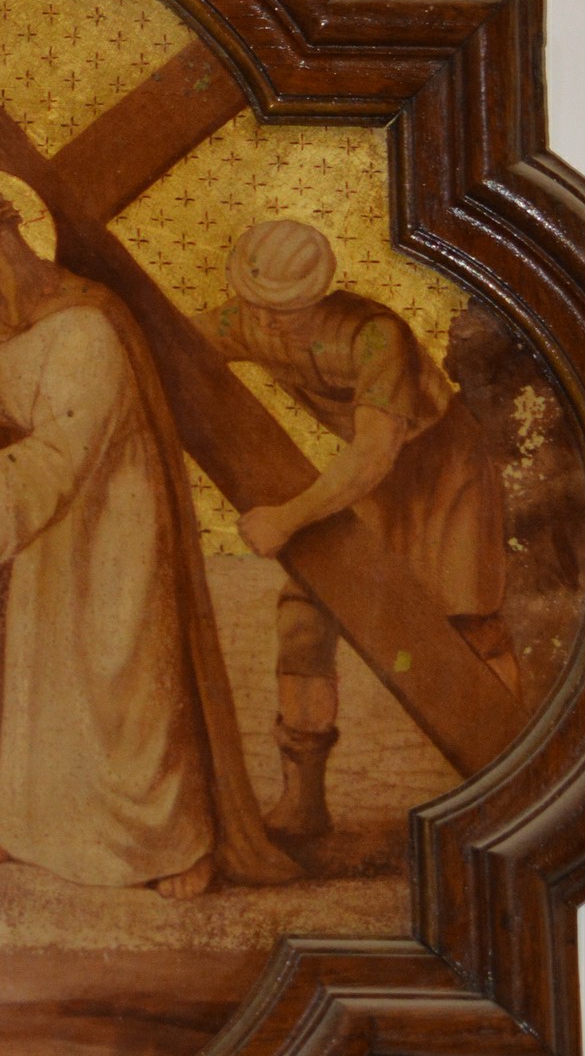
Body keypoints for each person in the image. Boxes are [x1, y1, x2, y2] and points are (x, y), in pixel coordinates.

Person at [0, 190, 293, 897]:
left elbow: (70, 441)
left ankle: (175, 843)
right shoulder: (23, 328)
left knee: (128, 678)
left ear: (5, 249)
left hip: (117, 517)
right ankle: (28, 826)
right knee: (45, 673)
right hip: (54, 522)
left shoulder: (85, 323)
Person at [197, 219, 518, 843]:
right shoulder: (246, 319)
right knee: (304, 615)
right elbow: (172, 342)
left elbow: (374, 453)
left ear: (316, 296)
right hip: (367, 482)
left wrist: (288, 517)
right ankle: (302, 801)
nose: (266, 321)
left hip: (443, 472)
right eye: (257, 304)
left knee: (469, 624)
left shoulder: (375, 337)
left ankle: (510, 784)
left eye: (284, 308)